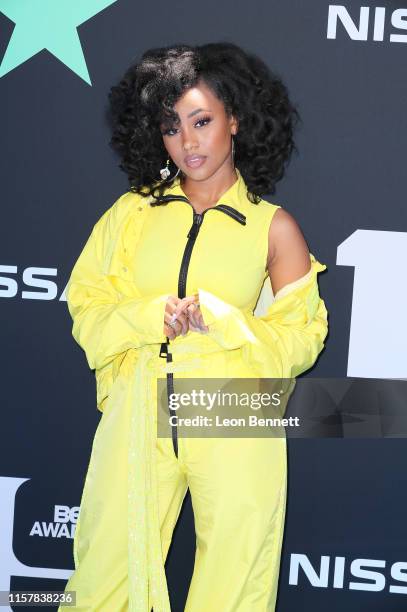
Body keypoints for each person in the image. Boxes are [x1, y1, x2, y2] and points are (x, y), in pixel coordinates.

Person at [59, 42, 328, 612]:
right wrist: (147, 315)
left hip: (232, 409)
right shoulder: (131, 214)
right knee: (104, 573)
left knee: (235, 580)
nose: (188, 142)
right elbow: (86, 305)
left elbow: (301, 338)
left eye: (202, 121)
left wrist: (226, 321)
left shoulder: (273, 228)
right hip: (138, 405)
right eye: (171, 126)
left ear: (235, 119)